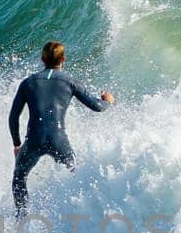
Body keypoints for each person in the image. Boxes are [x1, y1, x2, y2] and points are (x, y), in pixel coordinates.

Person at [8, 40, 114, 216]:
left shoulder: (28, 83)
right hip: (59, 141)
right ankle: (78, 217)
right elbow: (97, 106)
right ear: (63, 59)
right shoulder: (69, 82)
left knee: (19, 177)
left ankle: (22, 218)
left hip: (34, 141)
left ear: (42, 59)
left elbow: (13, 117)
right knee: (75, 176)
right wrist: (107, 100)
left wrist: (17, 144)